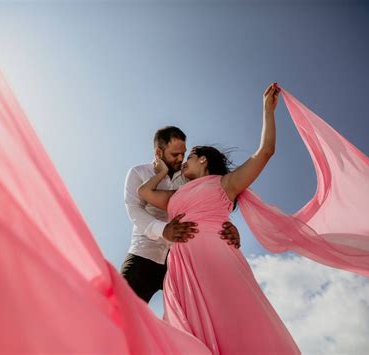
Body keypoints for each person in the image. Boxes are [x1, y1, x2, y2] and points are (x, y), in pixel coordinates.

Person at [138, 83, 301, 354]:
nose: (183, 163)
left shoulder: (225, 183)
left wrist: (267, 111)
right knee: (189, 329)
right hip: (181, 265)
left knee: (232, 319)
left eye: (188, 157)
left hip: (216, 255)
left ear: (202, 160)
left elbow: (265, 153)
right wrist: (162, 170)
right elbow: (144, 193)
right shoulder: (176, 193)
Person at [121, 126, 242, 303]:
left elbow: (209, 201)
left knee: (192, 318)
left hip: (182, 259)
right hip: (143, 254)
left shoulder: (189, 176)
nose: (180, 159)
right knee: (120, 308)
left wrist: (227, 225)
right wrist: (164, 230)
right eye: (174, 154)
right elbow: (134, 210)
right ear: (158, 152)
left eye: (183, 154)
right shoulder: (138, 173)